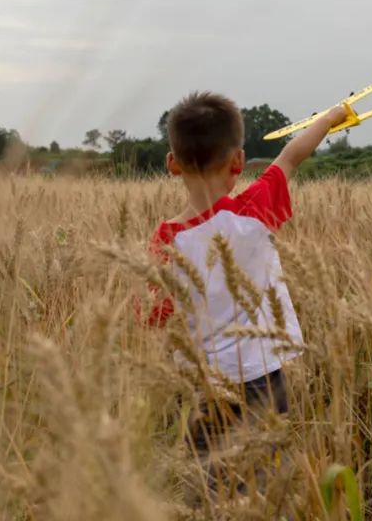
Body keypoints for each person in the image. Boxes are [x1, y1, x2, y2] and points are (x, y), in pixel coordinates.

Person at [145, 91, 347, 455]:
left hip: (198, 384)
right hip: (262, 375)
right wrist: (328, 119)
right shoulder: (253, 212)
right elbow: (290, 157)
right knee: (266, 471)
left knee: (206, 479)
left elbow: (156, 316)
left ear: (172, 164)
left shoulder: (166, 240)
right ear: (238, 161)